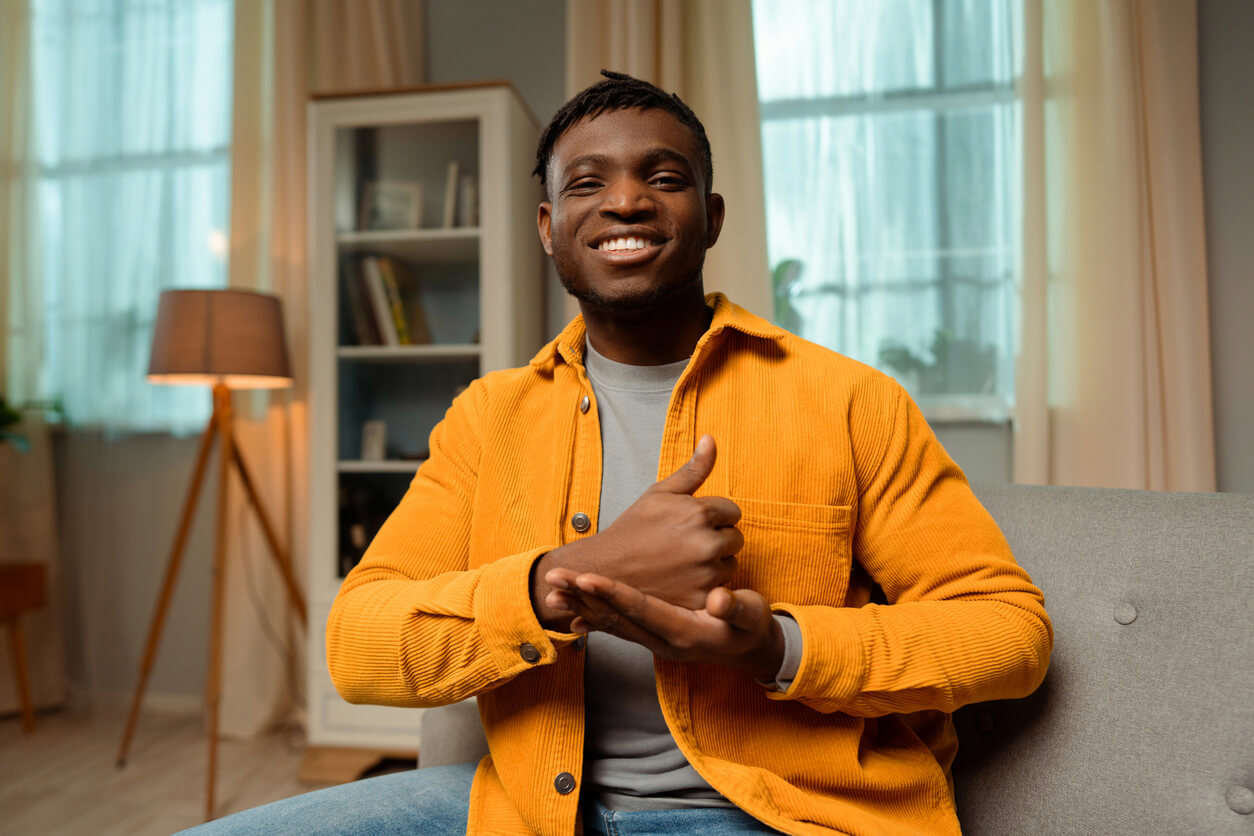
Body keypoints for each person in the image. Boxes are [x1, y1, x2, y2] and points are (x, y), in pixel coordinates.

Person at [185, 70, 1052, 836]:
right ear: (549, 227)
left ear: (709, 217)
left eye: (663, 178)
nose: (626, 201)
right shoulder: (489, 417)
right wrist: (565, 576)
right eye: (587, 183)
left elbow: (1008, 634)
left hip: (778, 815)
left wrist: (774, 649)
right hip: (527, 813)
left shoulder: (850, 401)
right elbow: (358, 645)